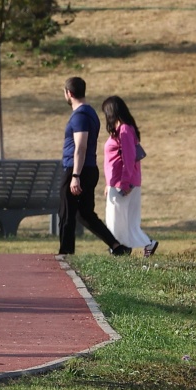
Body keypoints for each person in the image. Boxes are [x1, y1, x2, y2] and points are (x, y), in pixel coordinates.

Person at [59, 77, 130, 257]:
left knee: (66, 212)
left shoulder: (81, 116)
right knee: (85, 214)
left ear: (69, 93)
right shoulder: (90, 113)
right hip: (89, 168)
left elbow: (80, 147)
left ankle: (65, 253)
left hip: (78, 169)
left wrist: (75, 175)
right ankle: (116, 245)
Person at [101, 95, 157, 258]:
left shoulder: (124, 130)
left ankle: (127, 247)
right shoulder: (126, 129)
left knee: (115, 222)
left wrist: (124, 183)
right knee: (127, 223)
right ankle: (129, 248)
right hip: (120, 181)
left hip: (122, 182)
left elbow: (128, 157)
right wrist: (107, 184)